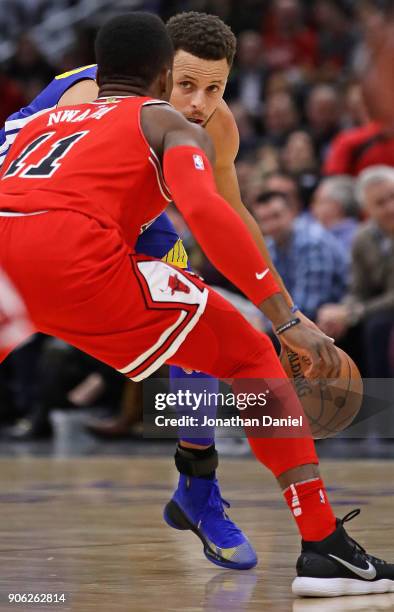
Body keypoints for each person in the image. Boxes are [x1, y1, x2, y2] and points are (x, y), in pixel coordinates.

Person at [0, 13, 393, 599]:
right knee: (244, 348)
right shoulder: (140, 111)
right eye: (186, 85)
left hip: (22, 228)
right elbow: (207, 216)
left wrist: (288, 304)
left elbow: (232, 212)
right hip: (80, 233)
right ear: (163, 73)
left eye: (216, 88)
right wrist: (282, 318)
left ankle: (197, 480)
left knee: (195, 323)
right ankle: (321, 544)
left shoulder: (185, 121)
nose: (199, 102)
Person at [318, 166, 394, 377]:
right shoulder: (363, 238)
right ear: (367, 210)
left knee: (377, 328)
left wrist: (352, 313)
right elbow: (357, 288)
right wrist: (341, 312)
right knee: (333, 332)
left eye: (392, 197)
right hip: (376, 308)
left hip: (384, 311)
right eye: (380, 203)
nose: (391, 207)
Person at [252, 190, 349, 322]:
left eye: (276, 216)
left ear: (292, 213)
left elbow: (308, 306)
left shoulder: (311, 242)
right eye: (265, 220)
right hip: (292, 318)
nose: (272, 225)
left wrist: (266, 326)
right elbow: (268, 299)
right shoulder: (269, 247)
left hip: (333, 317)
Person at [311, 175, 360, 252]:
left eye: (319, 201)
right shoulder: (318, 231)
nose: (313, 206)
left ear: (337, 205)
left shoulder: (354, 237)